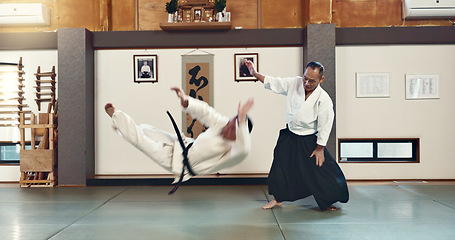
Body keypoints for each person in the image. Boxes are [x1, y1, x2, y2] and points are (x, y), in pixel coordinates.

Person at [245, 60, 349, 211]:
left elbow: (325, 124)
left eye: (312, 81)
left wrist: (320, 148)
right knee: (280, 166)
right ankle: (278, 199)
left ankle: (328, 200)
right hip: (290, 135)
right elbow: (273, 82)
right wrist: (254, 73)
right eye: (305, 78)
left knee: (321, 170)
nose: (306, 83)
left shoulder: (323, 99)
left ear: (321, 80)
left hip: (309, 140)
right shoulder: (295, 83)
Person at [105, 87, 254, 188]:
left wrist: (241, 121)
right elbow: (206, 112)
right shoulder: (222, 123)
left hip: (179, 165)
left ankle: (117, 116)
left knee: (142, 142)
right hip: (182, 144)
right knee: (145, 129)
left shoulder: (234, 151)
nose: (227, 126)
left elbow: (244, 150)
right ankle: (121, 128)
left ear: (240, 134)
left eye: (233, 127)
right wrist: (185, 100)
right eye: (230, 121)